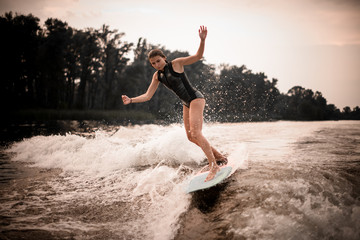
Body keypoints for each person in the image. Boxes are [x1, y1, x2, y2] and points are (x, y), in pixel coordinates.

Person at [122, 26, 227, 182]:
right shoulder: (157, 76)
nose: (156, 64)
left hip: (195, 99)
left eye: (158, 61)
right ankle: (219, 157)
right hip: (186, 103)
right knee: (191, 137)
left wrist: (202, 40)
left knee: (196, 133)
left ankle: (214, 166)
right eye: (153, 63)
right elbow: (147, 95)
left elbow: (198, 56)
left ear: (164, 58)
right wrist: (131, 100)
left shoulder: (176, 64)